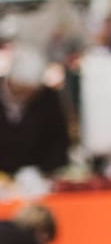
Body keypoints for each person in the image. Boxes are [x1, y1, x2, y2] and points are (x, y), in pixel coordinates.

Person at [0, 44, 69, 178]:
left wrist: (43, 172)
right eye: (22, 88)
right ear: (11, 81)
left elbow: (59, 139)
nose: (27, 94)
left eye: (32, 90)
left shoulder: (49, 99)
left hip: (37, 176)